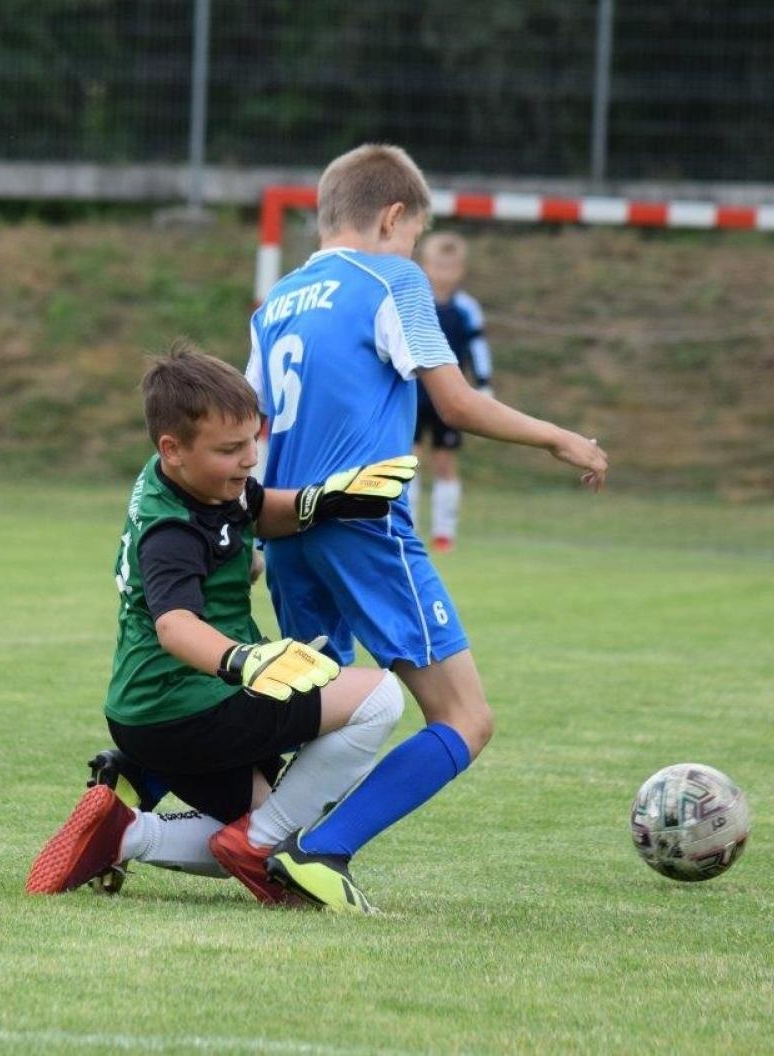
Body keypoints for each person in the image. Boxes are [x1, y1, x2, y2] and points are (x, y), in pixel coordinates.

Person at [244, 144, 608, 913]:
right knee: (466, 718)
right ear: (393, 217)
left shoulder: (276, 300)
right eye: (413, 237)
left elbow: (254, 434)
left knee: (316, 715)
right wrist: (557, 436)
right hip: (365, 528)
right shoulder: (394, 278)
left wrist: (247, 532)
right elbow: (458, 404)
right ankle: (321, 851)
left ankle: (203, 811)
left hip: (284, 531)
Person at [25, 344, 415, 907]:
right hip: (191, 704)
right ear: (173, 449)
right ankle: (257, 846)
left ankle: (125, 832)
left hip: (149, 713)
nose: (249, 459)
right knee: (380, 696)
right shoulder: (173, 530)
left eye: (253, 441)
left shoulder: (197, 480)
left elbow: (255, 508)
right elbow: (175, 625)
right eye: (230, 449)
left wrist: (323, 502)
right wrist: (245, 659)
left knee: (276, 824)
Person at [411, 231, 493, 553]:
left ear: (460, 270)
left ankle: (444, 532)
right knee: (409, 462)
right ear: (425, 266)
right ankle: (410, 527)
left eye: (450, 267)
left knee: (445, 463)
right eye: (437, 265)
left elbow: (479, 348)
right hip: (414, 395)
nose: (443, 273)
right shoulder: (414, 303)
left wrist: (485, 384)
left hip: (450, 398)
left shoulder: (467, 308)